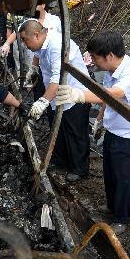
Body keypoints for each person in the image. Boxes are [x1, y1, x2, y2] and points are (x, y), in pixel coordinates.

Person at [56, 31, 130, 234]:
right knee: (110, 172)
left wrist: (80, 94)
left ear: (110, 56)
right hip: (114, 130)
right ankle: (112, 206)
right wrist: (99, 120)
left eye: (96, 58)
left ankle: (122, 217)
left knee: (124, 177)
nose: (94, 63)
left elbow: (115, 93)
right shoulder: (110, 70)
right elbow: (108, 99)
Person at [19, 18, 90, 181]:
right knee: (57, 127)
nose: (24, 44)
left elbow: (57, 80)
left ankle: (80, 170)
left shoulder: (57, 45)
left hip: (74, 94)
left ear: (36, 35)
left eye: (25, 40)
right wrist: (34, 68)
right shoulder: (42, 41)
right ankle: (60, 159)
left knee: (75, 132)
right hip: (56, 94)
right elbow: (37, 54)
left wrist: (43, 101)